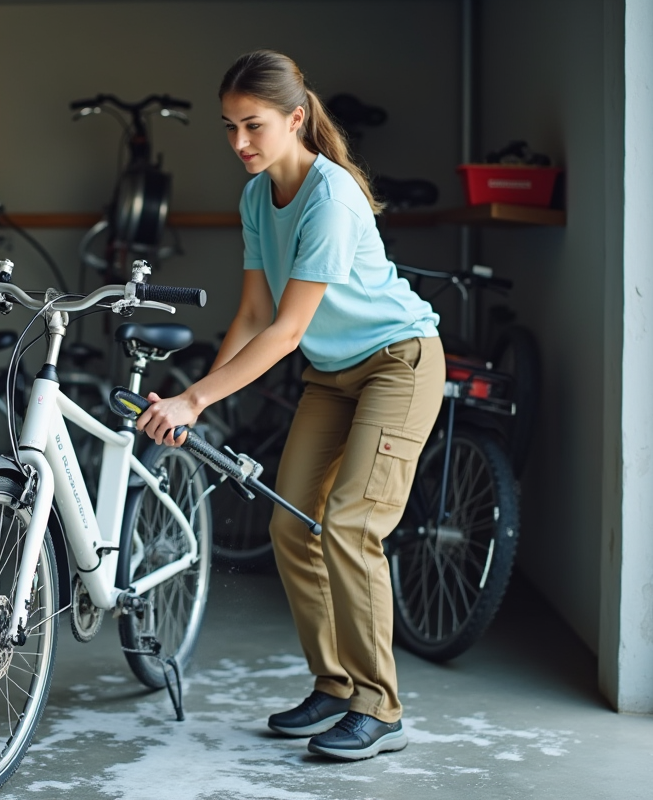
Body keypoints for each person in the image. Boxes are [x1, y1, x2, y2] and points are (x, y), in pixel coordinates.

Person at [136, 49, 445, 761]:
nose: (239, 142)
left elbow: (288, 329)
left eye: (254, 125)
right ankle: (334, 686)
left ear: (296, 119)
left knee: (350, 527)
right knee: (290, 526)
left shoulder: (330, 198)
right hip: (334, 376)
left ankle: (381, 707)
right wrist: (200, 404)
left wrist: (192, 397)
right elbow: (250, 314)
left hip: (398, 364)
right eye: (228, 127)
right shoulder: (255, 197)